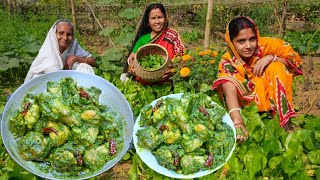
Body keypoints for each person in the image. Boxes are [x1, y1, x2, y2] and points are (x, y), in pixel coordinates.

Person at [212, 17, 302, 141]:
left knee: (277, 67)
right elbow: (229, 90)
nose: (248, 46)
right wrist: (238, 123)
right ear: (231, 42)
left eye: (252, 39)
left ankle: (284, 125)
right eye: (241, 41)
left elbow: (294, 60)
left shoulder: (268, 45)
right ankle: (246, 119)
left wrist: (272, 57)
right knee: (228, 81)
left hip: (266, 89)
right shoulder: (228, 61)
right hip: (246, 103)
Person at [120, 3, 184, 83]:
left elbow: (182, 57)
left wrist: (173, 70)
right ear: (148, 22)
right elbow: (131, 58)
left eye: (160, 17)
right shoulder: (143, 39)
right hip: (144, 85)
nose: (157, 21)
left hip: (168, 83)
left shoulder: (172, 35)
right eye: (153, 18)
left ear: (166, 18)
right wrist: (132, 65)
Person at [24, 19, 96, 83]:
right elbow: (54, 74)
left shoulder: (73, 45)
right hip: (46, 83)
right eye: (61, 33)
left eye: (69, 34)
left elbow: (93, 62)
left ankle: (85, 91)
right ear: (54, 34)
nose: (65, 38)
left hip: (70, 81)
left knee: (84, 67)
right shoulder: (48, 51)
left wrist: (75, 58)